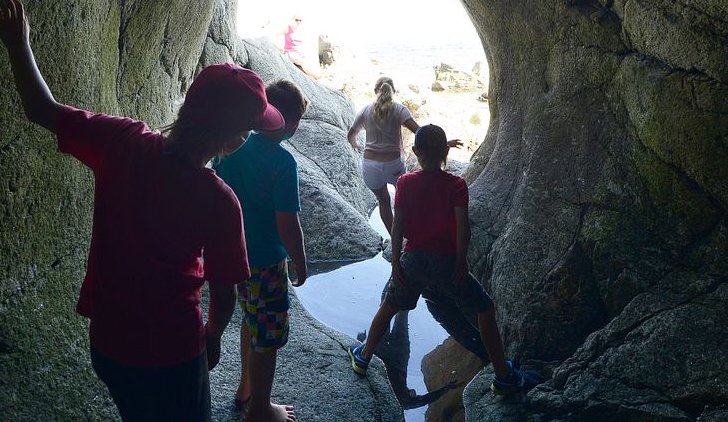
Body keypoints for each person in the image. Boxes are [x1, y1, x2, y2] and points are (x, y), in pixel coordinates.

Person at [0, 0, 285, 421]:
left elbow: (42, 109)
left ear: (188, 102)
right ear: (234, 139)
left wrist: (19, 43)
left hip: (108, 342)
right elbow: (224, 293)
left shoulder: (122, 141)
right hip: (173, 353)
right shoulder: (221, 203)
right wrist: (214, 336)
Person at [347, 124, 541, 395]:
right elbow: (464, 227)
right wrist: (461, 261)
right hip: (447, 262)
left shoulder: (405, 183)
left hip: (412, 260)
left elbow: (398, 227)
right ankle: (504, 374)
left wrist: (396, 261)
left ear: (415, 151)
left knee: (389, 306)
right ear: (446, 151)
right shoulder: (456, 184)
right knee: (484, 308)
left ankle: (363, 357)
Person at [212, 79, 309, 422]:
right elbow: (287, 223)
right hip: (266, 262)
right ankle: (261, 410)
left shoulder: (234, 145)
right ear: (291, 123)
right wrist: (299, 260)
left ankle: (245, 389)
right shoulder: (284, 164)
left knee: (251, 321)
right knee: (266, 336)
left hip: (234, 255)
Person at [347, 76, 461, 234]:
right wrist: (444, 143)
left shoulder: (365, 110)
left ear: (375, 91)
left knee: (383, 201)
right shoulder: (399, 109)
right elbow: (421, 133)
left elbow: (351, 135)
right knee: (403, 201)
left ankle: (394, 238)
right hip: (393, 164)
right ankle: (409, 235)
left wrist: (356, 146)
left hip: (370, 166)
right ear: (393, 91)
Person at [278, 14, 320, 80]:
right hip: (290, 53)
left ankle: (313, 79)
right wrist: (280, 48)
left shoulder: (300, 31)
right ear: (292, 20)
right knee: (303, 63)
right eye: (296, 20)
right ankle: (316, 76)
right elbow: (277, 35)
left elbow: (301, 45)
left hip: (297, 53)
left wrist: (302, 53)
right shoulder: (288, 28)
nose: (298, 22)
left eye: (300, 20)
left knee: (308, 60)